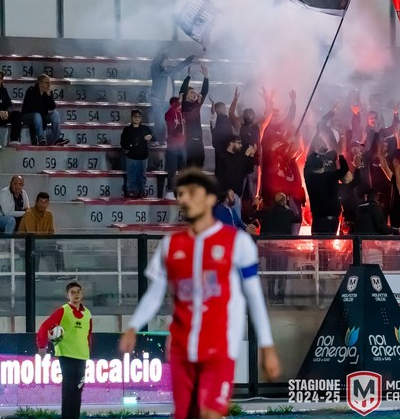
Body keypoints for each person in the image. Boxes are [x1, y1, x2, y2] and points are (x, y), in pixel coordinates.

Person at [119, 169, 281, 419]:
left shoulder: (237, 242)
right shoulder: (170, 245)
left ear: (209, 198)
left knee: (210, 414)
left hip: (220, 346)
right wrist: (133, 326)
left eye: (192, 193)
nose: (185, 199)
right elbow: (155, 293)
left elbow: (254, 297)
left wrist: (267, 346)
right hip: (181, 349)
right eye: (181, 194)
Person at [36, 281, 92, 419]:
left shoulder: (88, 314)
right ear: (68, 295)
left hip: (82, 357)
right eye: (72, 292)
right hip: (66, 356)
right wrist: (42, 347)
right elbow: (44, 327)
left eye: (78, 292)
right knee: (69, 391)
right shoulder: (63, 311)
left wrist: (88, 351)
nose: (76, 294)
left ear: (82, 294)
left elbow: (88, 335)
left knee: (78, 390)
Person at [255, 193, 300, 306]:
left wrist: (256, 204)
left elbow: (254, 215)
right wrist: (288, 207)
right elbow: (297, 218)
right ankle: (280, 298)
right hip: (282, 247)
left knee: (271, 273)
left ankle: (271, 297)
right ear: (284, 201)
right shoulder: (288, 212)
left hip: (269, 247)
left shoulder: (267, 211)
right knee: (281, 273)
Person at [149, 49, 195, 142]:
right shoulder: (157, 71)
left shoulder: (169, 72)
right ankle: (156, 140)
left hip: (167, 102)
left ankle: (163, 140)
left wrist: (189, 60)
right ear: (161, 61)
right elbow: (177, 67)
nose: (169, 62)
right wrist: (161, 53)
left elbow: (179, 68)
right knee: (159, 121)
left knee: (166, 121)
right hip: (159, 101)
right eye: (167, 60)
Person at [304, 152, 349, 234]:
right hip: (332, 217)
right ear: (323, 167)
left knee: (318, 243)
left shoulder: (309, 179)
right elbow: (345, 169)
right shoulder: (330, 176)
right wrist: (340, 155)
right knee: (330, 242)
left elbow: (306, 166)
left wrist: (315, 153)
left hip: (318, 218)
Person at [19, 192, 63, 273]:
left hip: (42, 244)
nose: (43, 204)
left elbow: (51, 233)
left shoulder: (49, 214)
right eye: (41, 202)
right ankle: (34, 273)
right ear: (36, 202)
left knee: (58, 248)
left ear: (48, 204)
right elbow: (31, 235)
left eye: (45, 202)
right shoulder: (29, 213)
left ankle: (61, 273)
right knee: (37, 245)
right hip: (25, 245)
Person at [21, 74, 68, 146]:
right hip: (28, 116)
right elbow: (33, 108)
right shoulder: (31, 91)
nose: (49, 85)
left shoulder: (48, 93)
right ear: (40, 83)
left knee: (55, 114)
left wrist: (48, 96)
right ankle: (41, 139)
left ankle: (57, 139)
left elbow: (52, 107)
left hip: (42, 115)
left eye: (50, 83)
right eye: (47, 83)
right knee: (37, 115)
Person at [179, 66, 209, 168]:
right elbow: (182, 92)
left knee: (199, 167)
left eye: (194, 92)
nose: (195, 94)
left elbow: (204, 93)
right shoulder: (183, 105)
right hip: (189, 142)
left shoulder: (197, 104)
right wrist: (189, 76)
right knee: (190, 168)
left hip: (199, 142)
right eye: (192, 92)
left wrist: (206, 77)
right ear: (186, 95)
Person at [120, 110, 154, 199]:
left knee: (142, 176)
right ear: (131, 118)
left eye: (138, 116)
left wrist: (150, 137)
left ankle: (142, 192)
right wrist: (128, 149)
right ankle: (132, 192)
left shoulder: (145, 129)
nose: (136, 118)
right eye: (135, 116)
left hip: (143, 157)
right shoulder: (127, 129)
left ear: (141, 118)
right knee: (132, 176)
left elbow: (153, 136)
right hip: (132, 158)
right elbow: (123, 142)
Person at [164, 97, 186, 199]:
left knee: (183, 171)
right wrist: (178, 102)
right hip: (172, 146)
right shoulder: (170, 114)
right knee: (172, 171)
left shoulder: (182, 114)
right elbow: (169, 112)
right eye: (178, 104)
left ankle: (181, 191)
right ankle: (169, 192)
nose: (180, 106)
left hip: (182, 146)